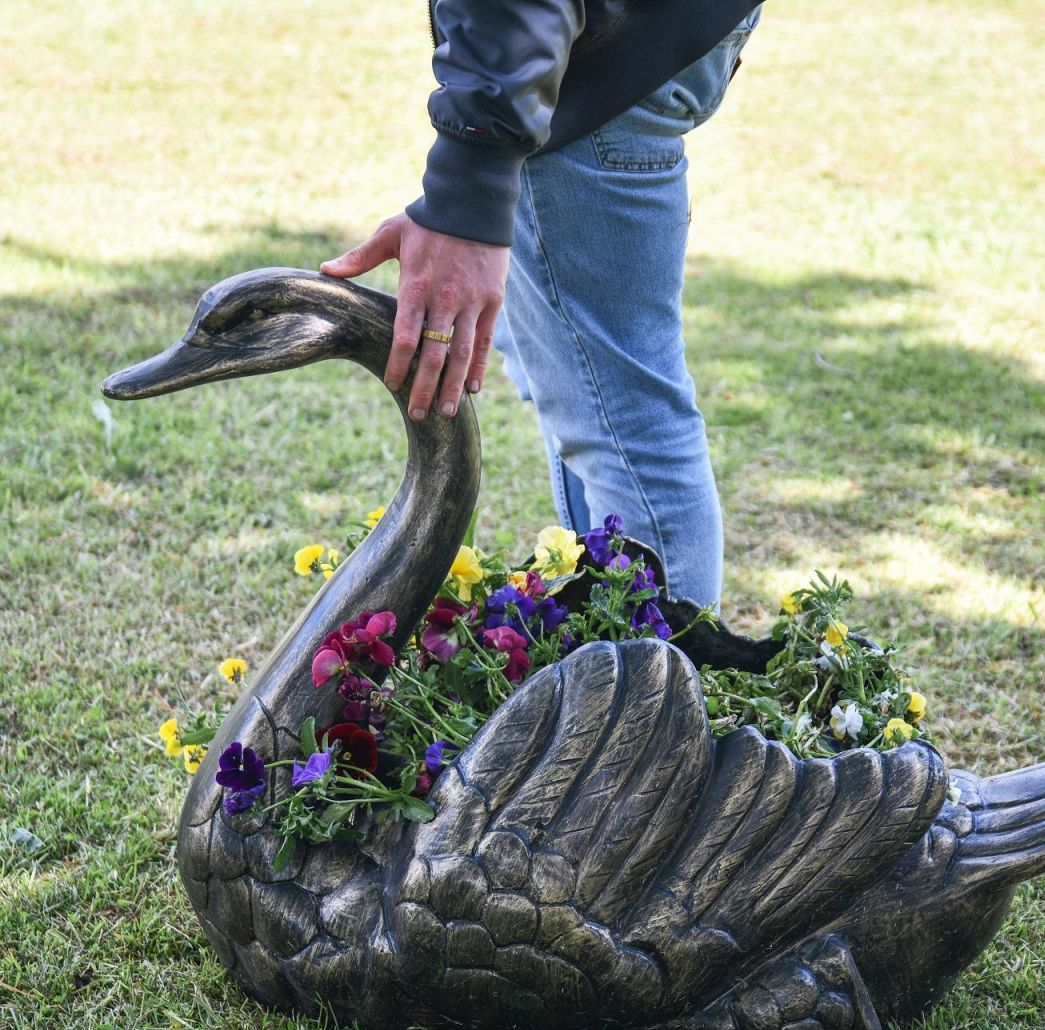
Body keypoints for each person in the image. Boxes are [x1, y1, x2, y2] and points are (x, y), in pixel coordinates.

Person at [320, 2, 763, 608]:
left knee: (625, 427)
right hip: (650, 33)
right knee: (594, 405)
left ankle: (659, 697)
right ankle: (614, 673)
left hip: (596, 56)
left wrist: (468, 184)